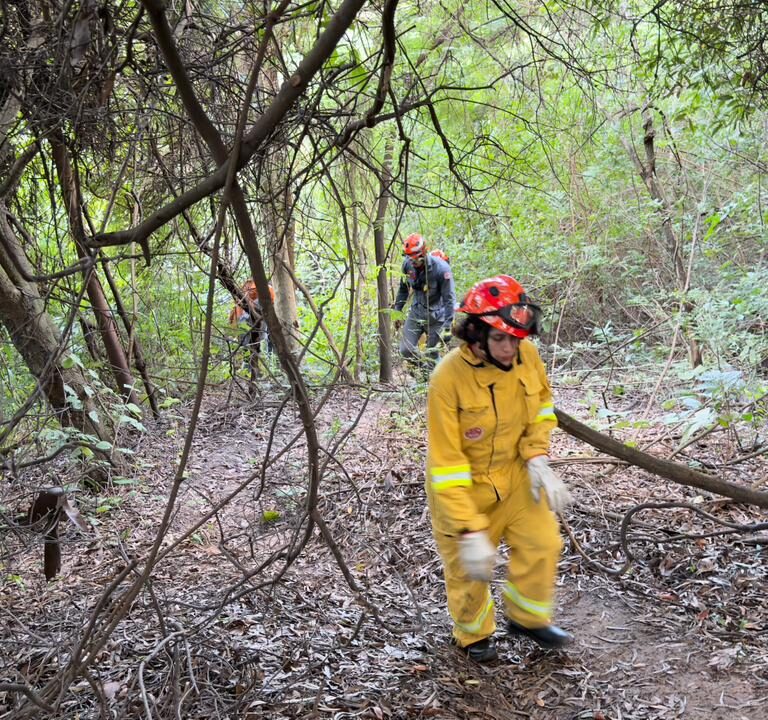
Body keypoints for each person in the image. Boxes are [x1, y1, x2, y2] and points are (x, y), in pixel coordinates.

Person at [425, 274, 573, 663]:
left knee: (543, 543)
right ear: (476, 334)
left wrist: (537, 456)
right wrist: (469, 527)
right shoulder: (447, 379)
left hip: (516, 474)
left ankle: (527, 617)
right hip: (466, 487)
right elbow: (446, 462)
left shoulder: (527, 357)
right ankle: (474, 634)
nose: (510, 348)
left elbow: (542, 407)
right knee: (469, 570)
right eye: (500, 338)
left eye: (516, 339)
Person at [393, 233, 455, 373]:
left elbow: (449, 299)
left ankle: (438, 378)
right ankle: (428, 372)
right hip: (416, 313)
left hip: (437, 317)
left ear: (423, 252)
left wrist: (448, 326)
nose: (411, 260)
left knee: (432, 355)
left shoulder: (441, 269)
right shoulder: (407, 265)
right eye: (408, 256)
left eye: (414, 257)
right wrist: (397, 310)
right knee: (406, 350)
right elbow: (403, 289)